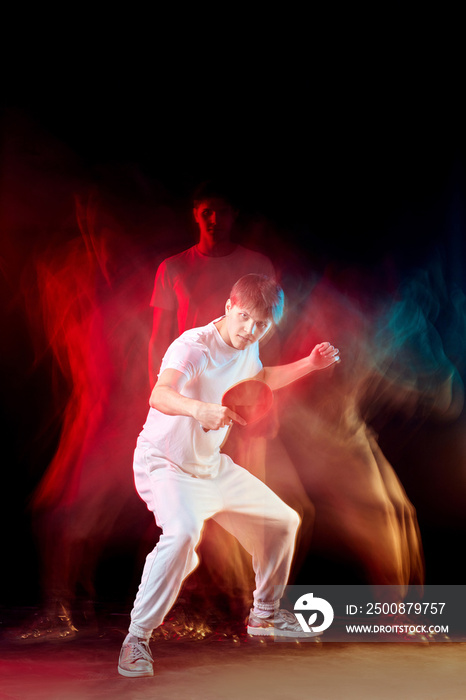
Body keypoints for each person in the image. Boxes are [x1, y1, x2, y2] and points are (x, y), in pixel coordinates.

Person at [118, 274, 340, 677]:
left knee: (283, 521)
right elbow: (160, 394)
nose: (250, 331)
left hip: (211, 467)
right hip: (164, 463)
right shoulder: (193, 346)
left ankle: (265, 615)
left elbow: (260, 378)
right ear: (228, 307)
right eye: (243, 319)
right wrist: (198, 409)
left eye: (261, 325)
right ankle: (136, 638)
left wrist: (310, 363)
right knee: (183, 534)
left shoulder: (249, 344)